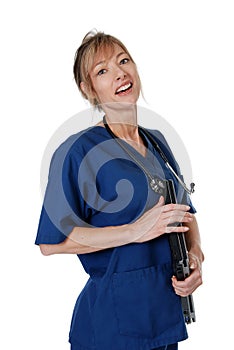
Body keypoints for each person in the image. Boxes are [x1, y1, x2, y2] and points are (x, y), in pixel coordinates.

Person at [35, 30, 204, 350]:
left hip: (165, 317)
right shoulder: (77, 151)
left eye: (123, 61)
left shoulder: (158, 142)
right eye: (103, 71)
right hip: (111, 326)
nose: (120, 73)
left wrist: (196, 256)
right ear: (88, 89)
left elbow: (185, 215)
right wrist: (133, 231)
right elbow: (51, 243)